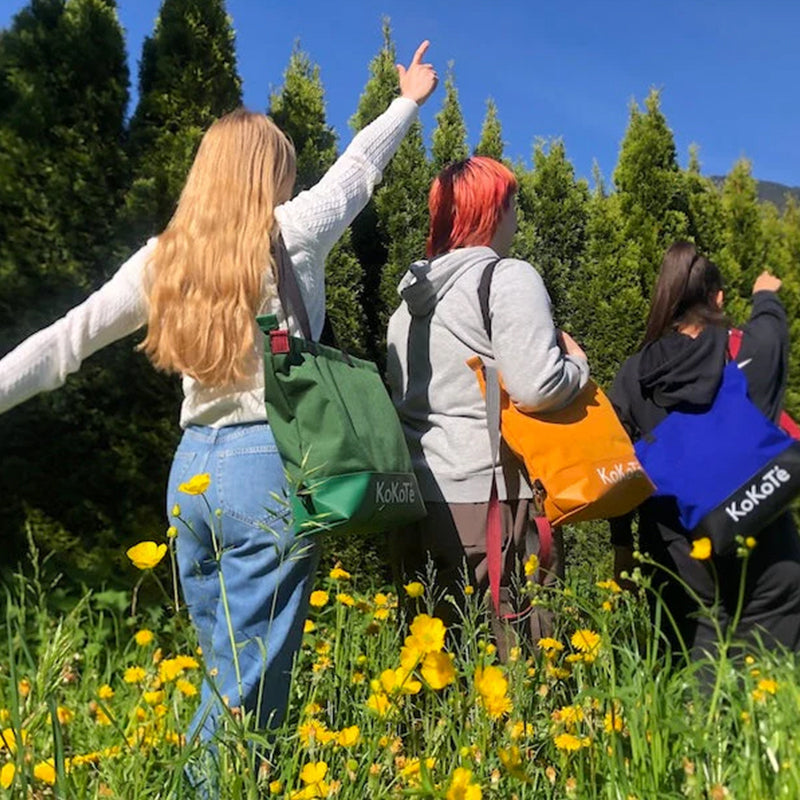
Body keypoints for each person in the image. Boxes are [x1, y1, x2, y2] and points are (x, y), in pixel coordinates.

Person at [0, 42, 438, 745]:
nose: (292, 187)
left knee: (225, 674)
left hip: (191, 480)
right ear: (269, 177)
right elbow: (360, 169)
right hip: (269, 466)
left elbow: (62, 342)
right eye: (285, 173)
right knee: (244, 693)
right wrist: (408, 101)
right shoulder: (292, 231)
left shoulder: (161, 260)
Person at [386, 156, 589, 655]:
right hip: (495, 502)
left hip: (417, 504)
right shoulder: (507, 278)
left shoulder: (406, 307)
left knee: (436, 667)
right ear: (493, 211)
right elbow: (538, 386)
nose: (517, 217)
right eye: (513, 203)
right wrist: (578, 368)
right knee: (521, 662)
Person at [609, 240, 800, 659]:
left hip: (676, 547)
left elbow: (616, 468)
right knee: (773, 668)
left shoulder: (633, 374)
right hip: (760, 527)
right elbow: (771, 330)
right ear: (717, 298)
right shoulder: (744, 350)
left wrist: (622, 547)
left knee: (692, 664)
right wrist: (765, 294)